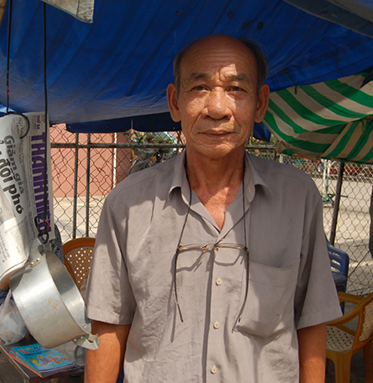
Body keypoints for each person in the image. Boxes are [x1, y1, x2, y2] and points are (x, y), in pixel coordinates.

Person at [84, 34, 342, 383]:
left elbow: (311, 320)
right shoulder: (128, 204)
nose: (218, 108)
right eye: (200, 88)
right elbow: (108, 328)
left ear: (260, 103)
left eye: (236, 89)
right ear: (175, 102)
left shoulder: (298, 199)